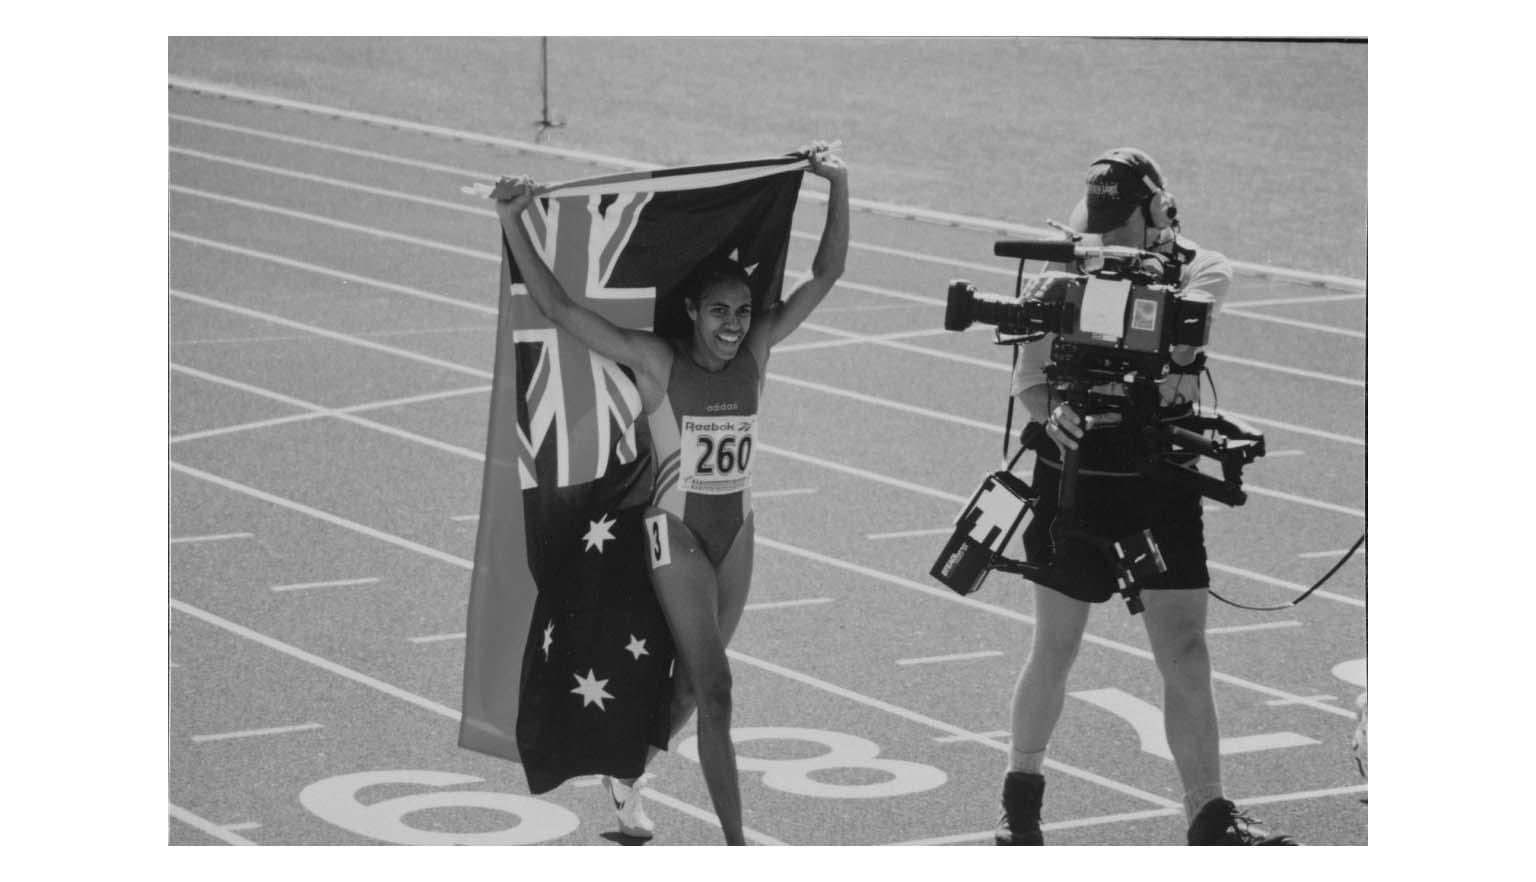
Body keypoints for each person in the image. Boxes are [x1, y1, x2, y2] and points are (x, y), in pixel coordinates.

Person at [492, 144, 849, 845]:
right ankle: (738, 846)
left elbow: (828, 271)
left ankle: (631, 771)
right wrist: (513, 219)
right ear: (692, 310)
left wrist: (838, 182)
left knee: (689, 689)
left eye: (744, 311)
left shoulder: (758, 352)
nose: (734, 324)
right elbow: (562, 309)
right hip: (675, 536)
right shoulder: (659, 361)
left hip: (738, 530)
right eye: (719, 311)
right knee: (718, 691)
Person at [994, 148, 1297, 846]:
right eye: (1097, 222)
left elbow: (1191, 305)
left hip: (1159, 475)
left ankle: (1209, 816)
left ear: (1159, 211)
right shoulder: (1065, 266)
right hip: (1075, 477)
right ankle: (1021, 805)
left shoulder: (1201, 269)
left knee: (1186, 650)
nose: (1108, 237)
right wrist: (1052, 413)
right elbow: (1029, 383)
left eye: (1121, 222)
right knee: (1056, 646)